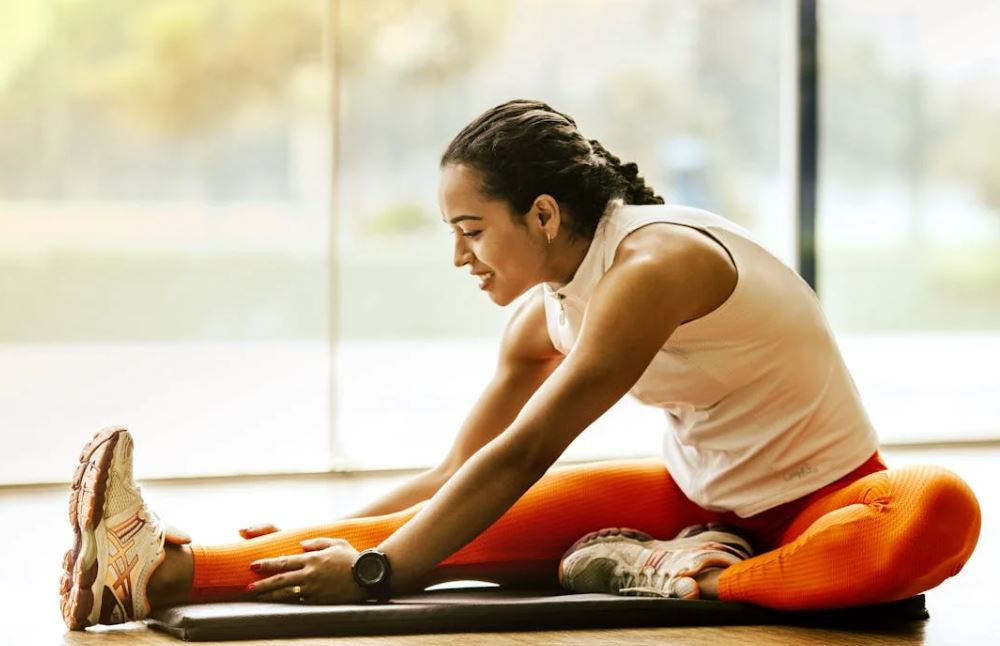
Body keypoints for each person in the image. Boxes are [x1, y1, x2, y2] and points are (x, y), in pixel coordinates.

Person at [60, 99, 981, 631]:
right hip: (694, 504)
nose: (461, 257)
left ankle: (688, 577)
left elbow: (532, 446)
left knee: (942, 509)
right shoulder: (545, 315)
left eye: (472, 231)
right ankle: (144, 572)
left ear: (542, 214)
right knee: (433, 522)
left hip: (830, 502)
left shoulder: (656, 267)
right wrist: (327, 535)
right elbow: (456, 478)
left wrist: (384, 573)